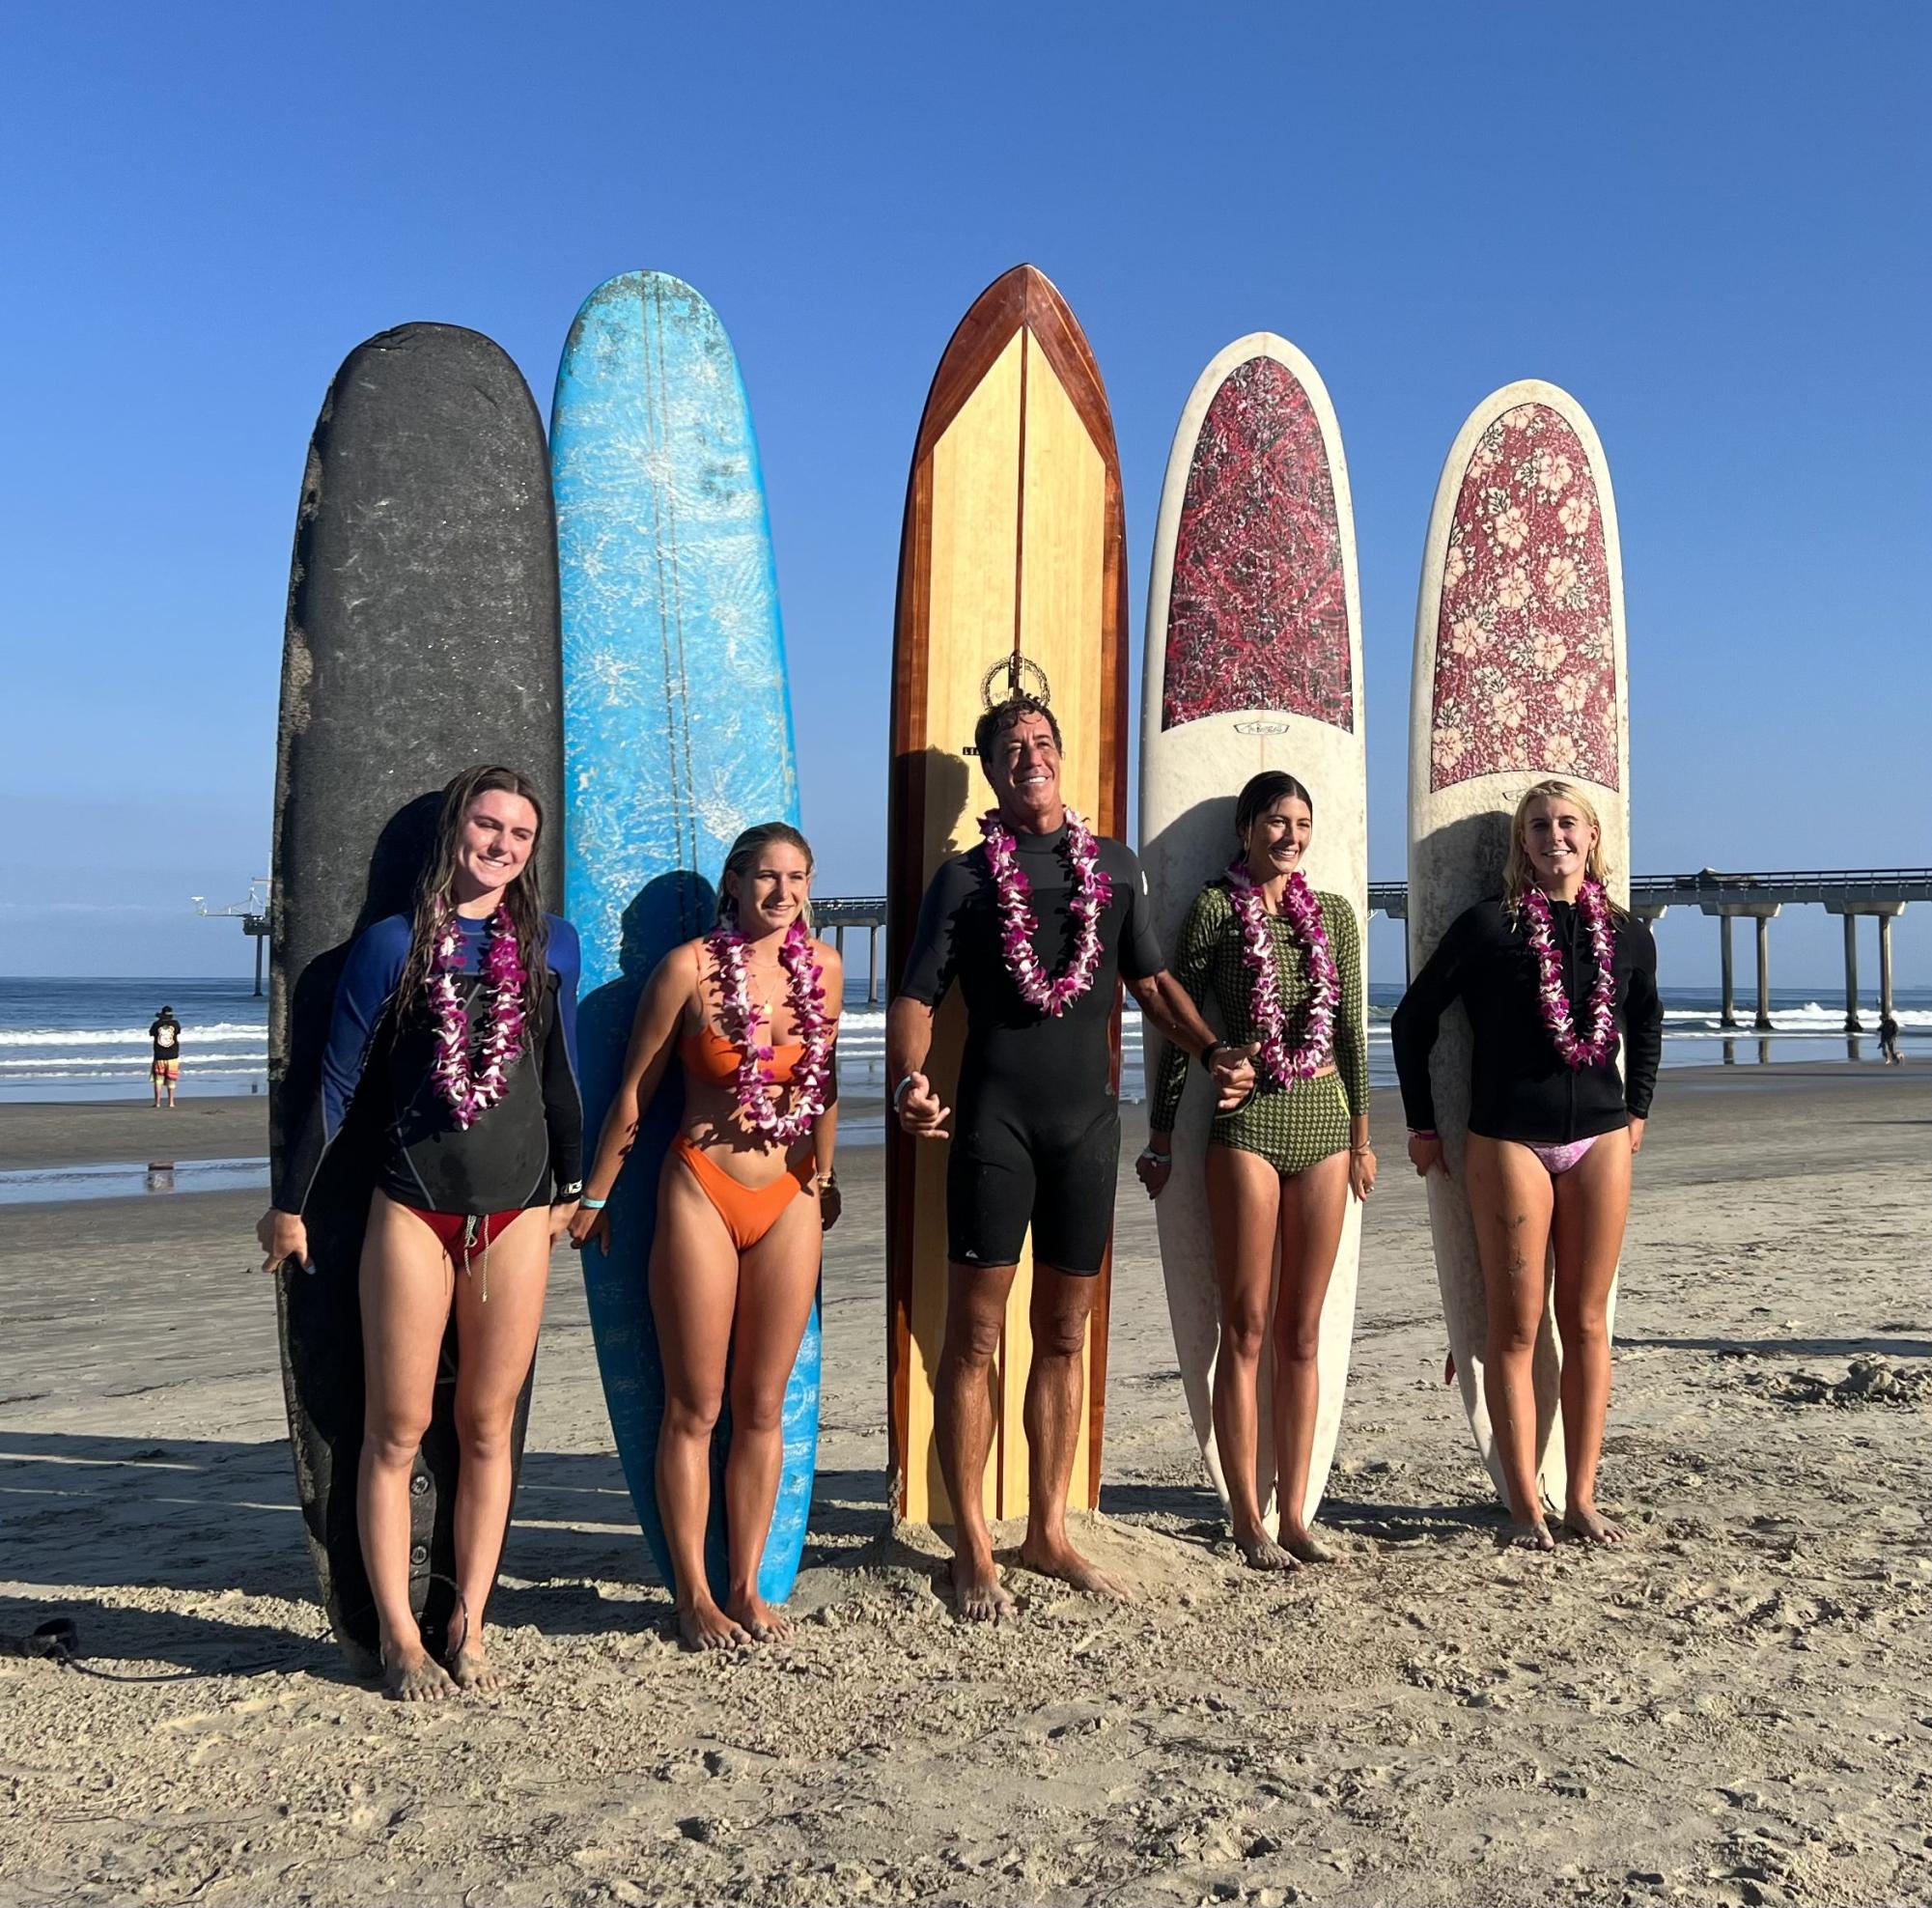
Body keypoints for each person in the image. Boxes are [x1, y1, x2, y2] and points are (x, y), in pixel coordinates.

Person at [889, 692, 1253, 1621]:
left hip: (1087, 1132)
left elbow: (1154, 984)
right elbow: (918, 995)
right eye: (1009, 748)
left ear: (1062, 758)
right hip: (992, 1129)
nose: (1028, 757)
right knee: (970, 1339)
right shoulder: (965, 882)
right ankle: (972, 1539)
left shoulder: (1115, 870)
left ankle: (1046, 1528)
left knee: (1063, 1334)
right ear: (989, 769)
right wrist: (907, 1078)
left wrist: (1211, 1052)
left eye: (1042, 742)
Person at [257, 766, 583, 1699]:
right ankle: (399, 1635)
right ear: (456, 832)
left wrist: (574, 1186)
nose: (502, 845)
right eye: (487, 825)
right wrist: (290, 1203)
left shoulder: (551, 944)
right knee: (395, 1428)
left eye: (519, 834)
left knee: (486, 1427)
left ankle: (468, 1624)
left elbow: (559, 1075)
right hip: (409, 1210)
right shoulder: (391, 946)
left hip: (517, 1214)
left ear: (531, 851)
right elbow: (334, 1086)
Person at [570, 824, 841, 1651]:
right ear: (733, 881)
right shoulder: (686, 969)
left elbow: (821, 1083)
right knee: (696, 1404)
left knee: (762, 1407)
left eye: (796, 878)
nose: (781, 894)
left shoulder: (822, 970)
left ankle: (746, 1587)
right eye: (765, 877)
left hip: (789, 1195)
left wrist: (825, 1176)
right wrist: (595, 1197)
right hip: (701, 1189)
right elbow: (633, 1094)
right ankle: (692, 1595)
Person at [1391, 778, 1662, 1551]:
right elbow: (1412, 1022)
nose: (1554, 837)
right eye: (1538, 826)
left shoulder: (1626, 933)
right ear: (1522, 843)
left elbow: (1645, 1022)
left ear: (1590, 837)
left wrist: (1637, 1107)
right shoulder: (1488, 928)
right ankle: (1523, 1506)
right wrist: (1421, 1125)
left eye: (1567, 824)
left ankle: (1580, 1497)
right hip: (1507, 1140)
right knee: (1514, 1330)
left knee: (1585, 1322)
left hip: (1600, 1139)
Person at [1138, 771, 1373, 1569]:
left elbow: (1349, 1030)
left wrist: (1366, 1135)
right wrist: (1163, 1134)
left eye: (1302, 823)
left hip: (1325, 1123)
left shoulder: (1333, 915)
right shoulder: (1213, 910)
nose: (1290, 837)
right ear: (1245, 830)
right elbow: (1181, 1025)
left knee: (1301, 1331)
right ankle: (1245, 1514)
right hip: (1245, 1126)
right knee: (1243, 1326)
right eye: (1275, 821)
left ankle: (1297, 1513)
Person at [150, 1005, 182, 1108]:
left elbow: (151, 1034)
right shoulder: (175, 1024)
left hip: (159, 1055)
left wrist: (160, 1020)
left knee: (158, 1080)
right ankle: (171, 1102)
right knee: (171, 1079)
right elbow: (177, 1032)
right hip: (173, 1055)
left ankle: (157, 1103)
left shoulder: (156, 1024)